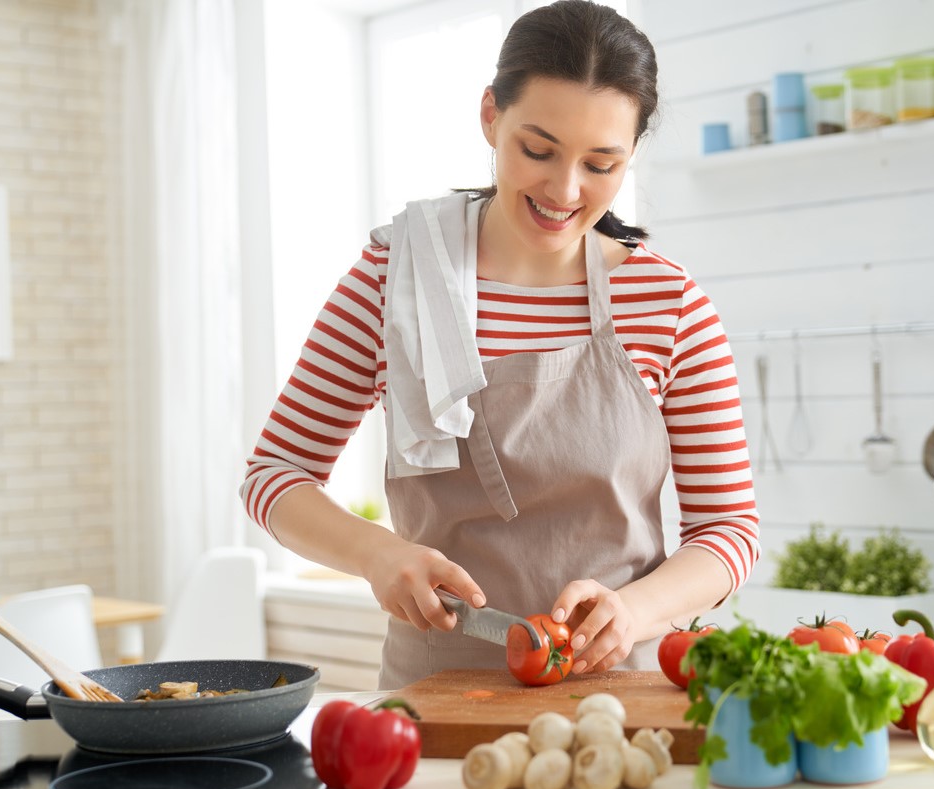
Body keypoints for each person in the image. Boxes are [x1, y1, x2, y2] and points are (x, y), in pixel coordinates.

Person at [240, 0, 759, 690]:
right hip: (436, 691)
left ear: (632, 154)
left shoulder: (668, 301)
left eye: (601, 163)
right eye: (537, 150)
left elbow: (729, 529)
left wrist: (632, 612)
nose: (565, 190)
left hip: (621, 693)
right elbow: (275, 475)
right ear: (491, 115)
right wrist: (377, 553)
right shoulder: (393, 282)